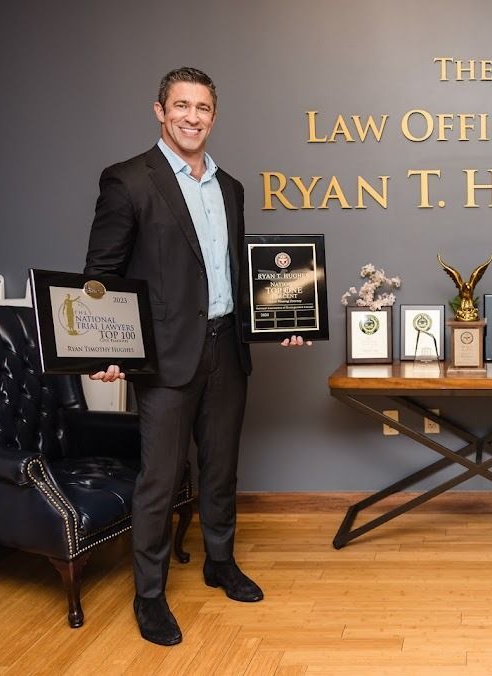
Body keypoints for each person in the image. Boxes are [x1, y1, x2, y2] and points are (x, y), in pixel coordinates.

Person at [84, 67, 310, 646]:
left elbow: (235, 275)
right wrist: (103, 352)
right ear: (160, 110)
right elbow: (101, 278)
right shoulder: (128, 180)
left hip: (227, 347)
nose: (192, 116)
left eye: (202, 107)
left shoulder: (229, 187)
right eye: (181, 105)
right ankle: (150, 596)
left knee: (221, 468)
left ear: (214, 115)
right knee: (160, 480)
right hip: (163, 358)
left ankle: (219, 562)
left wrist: (279, 319)